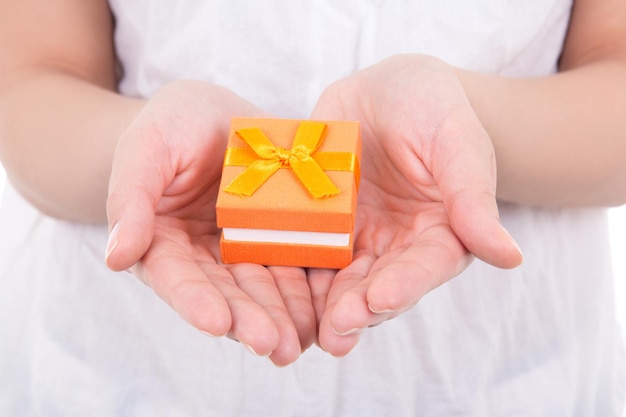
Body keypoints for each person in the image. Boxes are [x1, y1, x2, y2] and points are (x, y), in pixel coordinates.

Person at [0, 0, 625, 415]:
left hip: (502, 367)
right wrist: (151, 161)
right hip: (136, 368)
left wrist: (461, 132)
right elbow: (33, 83)